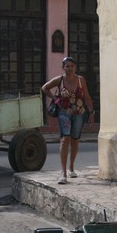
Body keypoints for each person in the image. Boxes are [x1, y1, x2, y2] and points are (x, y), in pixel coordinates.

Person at [41, 56, 95, 184]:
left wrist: (92, 112)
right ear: (63, 68)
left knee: (75, 140)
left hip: (79, 113)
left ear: (74, 67)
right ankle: (63, 173)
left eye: (72, 66)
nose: (69, 68)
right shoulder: (59, 80)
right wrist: (55, 98)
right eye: (67, 66)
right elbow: (44, 88)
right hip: (64, 112)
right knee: (65, 139)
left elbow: (87, 97)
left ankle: (71, 166)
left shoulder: (81, 80)